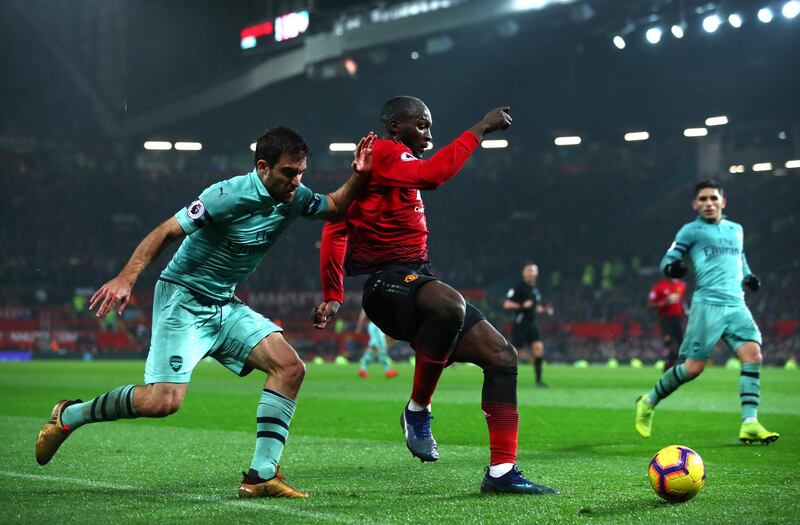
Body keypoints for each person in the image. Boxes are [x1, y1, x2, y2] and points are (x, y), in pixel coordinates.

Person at [35, 127, 376, 498]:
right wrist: (125, 278)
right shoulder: (225, 196)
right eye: (289, 173)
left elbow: (336, 207)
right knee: (162, 402)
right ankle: (69, 416)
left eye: (301, 173)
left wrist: (358, 176)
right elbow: (167, 230)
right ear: (263, 167)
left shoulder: (293, 198)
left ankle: (260, 477)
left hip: (223, 302)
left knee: (290, 367)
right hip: (182, 299)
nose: (297, 182)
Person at [312, 96, 557, 495]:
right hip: (385, 284)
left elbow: (336, 227)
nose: (428, 133)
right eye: (421, 125)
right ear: (396, 126)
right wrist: (479, 128)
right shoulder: (387, 151)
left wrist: (332, 292)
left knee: (502, 356)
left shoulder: (384, 167)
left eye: (429, 126)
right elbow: (434, 175)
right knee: (449, 305)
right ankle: (419, 410)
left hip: (414, 278)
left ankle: (502, 472)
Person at [635, 180, 779, 444]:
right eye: (702, 199)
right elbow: (668, 258)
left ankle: (749, 422)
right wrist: (672, 269)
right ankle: (648, 401)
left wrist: (748, 277)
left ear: (723, 202)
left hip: (736, 304)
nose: (708, 203)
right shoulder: (691, 231)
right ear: (695, 204)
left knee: (753, 354)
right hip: (707, 305)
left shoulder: (737, 230)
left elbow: (740, 259)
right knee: (693, 368)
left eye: (713, 198)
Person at [503, 263, 554, 388]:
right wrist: (521, 305)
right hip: (521, 323)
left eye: (533, 271)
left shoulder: (535, 289)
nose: (531, 273)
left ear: (536, 274)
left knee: (539, 348)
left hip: (532, 323)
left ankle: (538, 381)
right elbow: (507, 304)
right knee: (516, 352)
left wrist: (544, 310)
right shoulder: (518, 287)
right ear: (524, 273)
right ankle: (505, 378)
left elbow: (534, 307)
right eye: (528, 270)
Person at [647, 276, 687, 371]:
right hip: (665, 318)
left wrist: (685, 310)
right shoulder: (659, 287)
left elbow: (682, 300)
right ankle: (668, 362)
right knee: (668, 341)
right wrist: (663, 303)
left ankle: (673, 362)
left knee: (680, 342)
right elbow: (650, 305)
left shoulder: (681, 285)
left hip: (678, 318)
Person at [356, 309, 398, 379]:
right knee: (381, 347)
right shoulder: (375, 299)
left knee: (373, 347)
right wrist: (359, 326)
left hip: (377, 326)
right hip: (376, 326)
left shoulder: (372, 300)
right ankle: (387, 370)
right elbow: (363, 314)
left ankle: (362, 369)